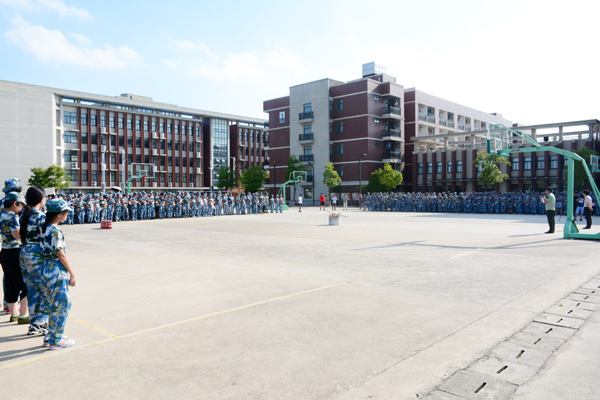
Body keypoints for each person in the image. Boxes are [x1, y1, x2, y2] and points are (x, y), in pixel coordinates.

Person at [41, 198, 77, 350]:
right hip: (56, 269)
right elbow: (61, 255)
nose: (67, 214)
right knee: (62, 305)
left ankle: (51, 336)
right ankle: (56, 339)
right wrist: (72, 274)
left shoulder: (45, 228)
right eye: (66, 212)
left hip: (47, 268)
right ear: (58, 214)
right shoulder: (55, 231)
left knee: (52, 304)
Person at [19, 186, 50, 335]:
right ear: (42, 199)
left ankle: (34, 323)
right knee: (46, 290)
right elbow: (45, 238)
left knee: (32, 290)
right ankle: (40, 322)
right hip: (36, 255)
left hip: (24, 253)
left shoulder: (24, 215)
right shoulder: (40, 216)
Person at [0, 192, 29, 323]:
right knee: (24, 284)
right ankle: (23, 315)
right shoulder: (12, 216)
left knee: (10, 283)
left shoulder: (2, 215)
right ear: (15, 204)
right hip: (15, 252)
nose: (22, 208)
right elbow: (17, 235)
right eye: (21, 205)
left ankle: (14, 314)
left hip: (5, 252)